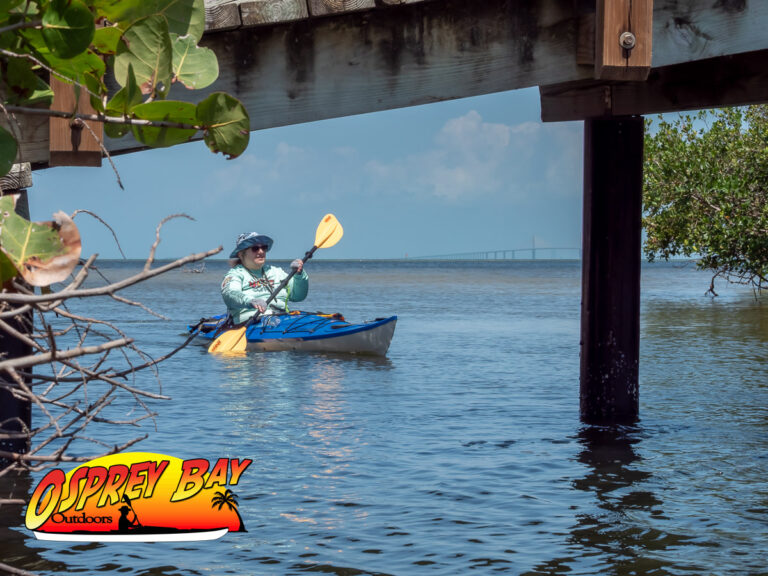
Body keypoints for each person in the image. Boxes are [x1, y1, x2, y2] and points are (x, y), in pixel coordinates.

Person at [221, 231, 309, 324]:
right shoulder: (235, 274)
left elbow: (298, 296)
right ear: (241, 254)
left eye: (264, 247)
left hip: (282, 319)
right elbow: (230, 294)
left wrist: (299, 275)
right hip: (250, 322)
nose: (261, 251)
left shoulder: (276, 272)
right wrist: (250, 301)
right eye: (255, 248)